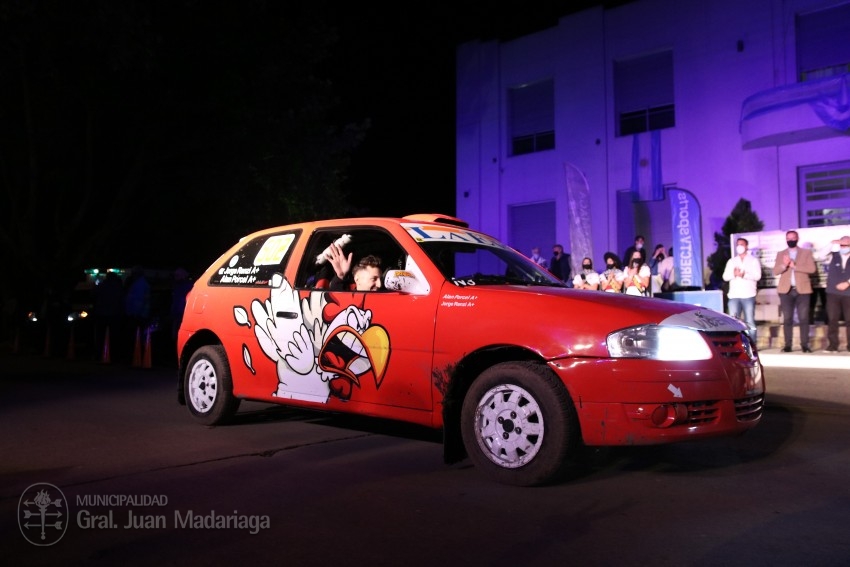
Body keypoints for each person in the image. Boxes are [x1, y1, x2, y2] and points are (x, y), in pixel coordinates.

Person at [773, 230, 816, 353]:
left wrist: (795, 266)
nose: (790, 240)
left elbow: (812, 269)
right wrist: (784, 265)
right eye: (788, 238)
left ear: (797, 238)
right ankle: (788, 345)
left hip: (802, 290)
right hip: (786, 291)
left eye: (793, 238)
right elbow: (775, 271)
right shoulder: (781, 254)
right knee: (787, 319)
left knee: (804, 318)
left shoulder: (806, 253)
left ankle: (805, 345)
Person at [723, 238, 762, 342]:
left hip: (748, 295)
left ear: (746, 246)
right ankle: (736, 344)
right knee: (734, 322)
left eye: (742, 244)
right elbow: (725, 277)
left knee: (750, 321)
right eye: (738, 244)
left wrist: (744, 275)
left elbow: (757, 276)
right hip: (734, 296)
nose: (739, 246)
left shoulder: (753, 260)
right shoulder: (732, 261)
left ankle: (752, 344)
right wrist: (734, 274)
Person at [824, 235, 850, 352]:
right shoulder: (833, 256)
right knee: (832, 319)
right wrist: (832, 243)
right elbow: (820, 255)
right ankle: (833, 345)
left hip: (848, 293)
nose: (843, 247)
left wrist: (848, 283)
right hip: (833, 293)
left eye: (846, 245)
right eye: (841, 245)